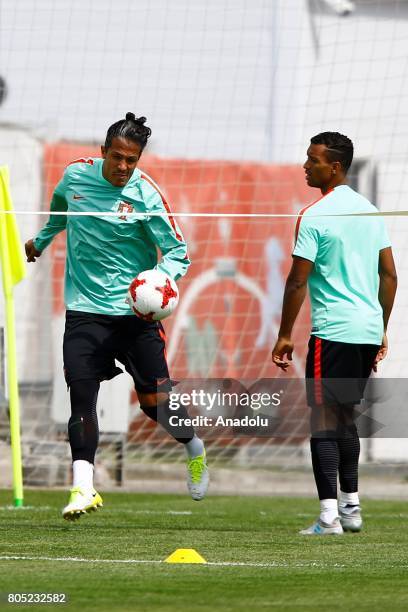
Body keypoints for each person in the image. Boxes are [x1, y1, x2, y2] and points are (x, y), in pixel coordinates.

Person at [25, 112, 209, 520]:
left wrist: (160, 282)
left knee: (152, 402)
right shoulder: (75, 178)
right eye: (118, 158)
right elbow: (60, 213)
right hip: (85, 310)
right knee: (82, 396)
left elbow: (179, 252)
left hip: (135, 317)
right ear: (103, 151)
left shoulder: (147, 195)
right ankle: (83, 486)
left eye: (133, 160)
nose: (124, 167)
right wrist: (39, 241)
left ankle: (193, 445)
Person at [272, 132, 397, 535]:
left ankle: (328, 518)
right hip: (364, 330)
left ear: (335, 167)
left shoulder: (315, 215)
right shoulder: (369, 211)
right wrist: (380, 329)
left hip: (334, 331)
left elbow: (296, 282)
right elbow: (390, 275)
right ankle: (352, 509)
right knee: (346, 420)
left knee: (324, 422)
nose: (306, 166)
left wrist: (285, 335)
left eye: (313, 160)